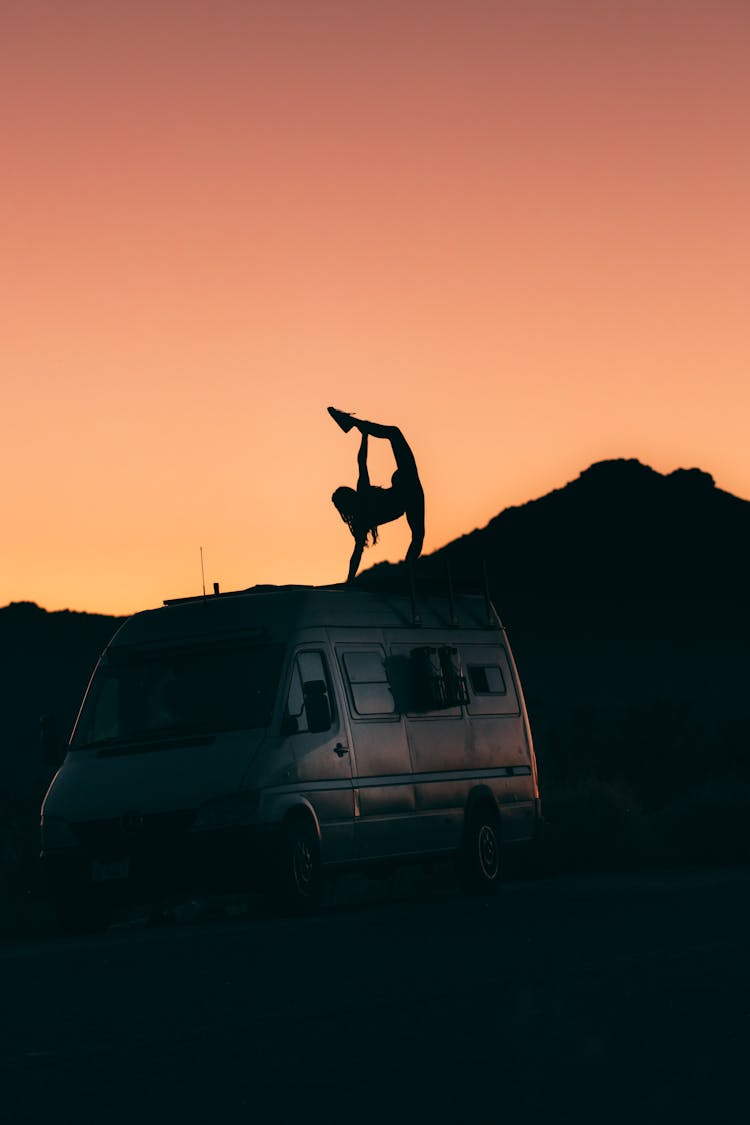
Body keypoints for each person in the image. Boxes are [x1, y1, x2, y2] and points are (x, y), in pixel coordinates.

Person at [329, 408, 425, 583]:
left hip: (405, 498)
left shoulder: (360, 522)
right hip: (408, 490)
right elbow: (362, 462)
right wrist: (364, 436)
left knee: (418, 536)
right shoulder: (363, 494)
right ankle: (352, 423)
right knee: (395, 433)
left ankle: (409, 571)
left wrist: (349, 581)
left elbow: (356, 554)